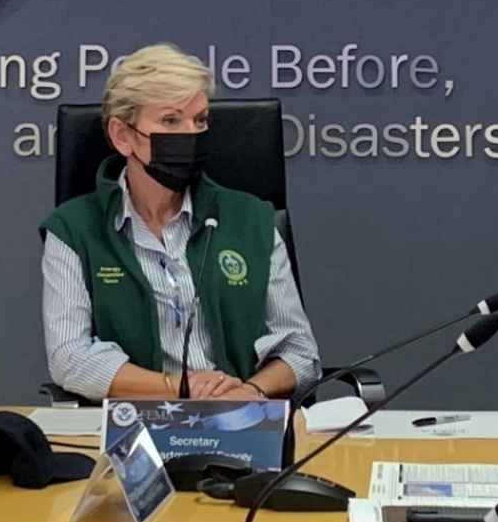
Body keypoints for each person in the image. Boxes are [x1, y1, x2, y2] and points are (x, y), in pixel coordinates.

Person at [41, 43, 321, 401]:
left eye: (200, 120)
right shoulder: (73, 228)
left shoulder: (251, 219)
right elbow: (70, 357)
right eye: (171, 120)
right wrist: (180, 389)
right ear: (122, 135)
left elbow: (301, 352)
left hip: (241, 422)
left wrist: (249, 391)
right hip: (132, 431)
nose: (191, 134)